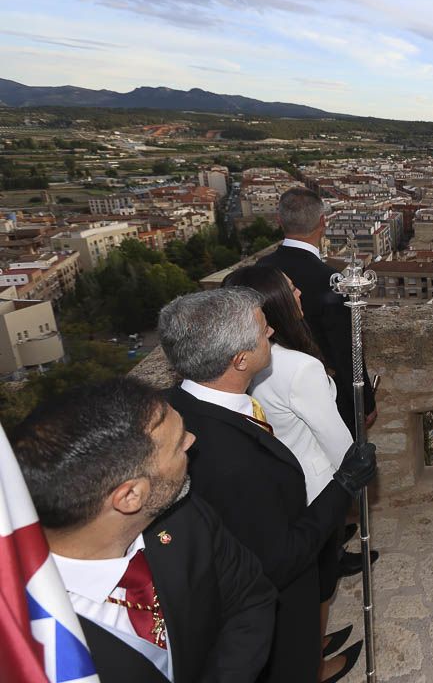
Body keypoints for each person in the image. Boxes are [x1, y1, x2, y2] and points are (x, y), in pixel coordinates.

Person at [158, 287, 377, 683]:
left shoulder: (175, 409)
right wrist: (344, 483)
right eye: (263, 330)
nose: (273, 331)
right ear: (239, 359)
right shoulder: (230, 460)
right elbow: (282, 557)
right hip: (273, 610)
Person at [9, 378, 276, 683]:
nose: (191, 440)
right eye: (178, 446)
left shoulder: (182, 516)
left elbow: (250, 596)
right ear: (130, 497)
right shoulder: (31, 636)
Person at [223, 264, 357, 680]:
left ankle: (311, 645)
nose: (300, 293)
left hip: (279, 489)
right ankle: (312, 663)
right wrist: (352, 486)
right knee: (319, 583)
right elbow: (336, 440)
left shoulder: (248, 365)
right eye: (291, 289)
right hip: (316, 487)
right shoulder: (298, 367)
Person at [258, 186, 377, 433]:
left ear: (279, 220)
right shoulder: (332, 280)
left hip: (267, 395)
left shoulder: (260, 272)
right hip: (326, 397)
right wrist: (365, 402)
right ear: (323, 222)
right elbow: (346, 348)